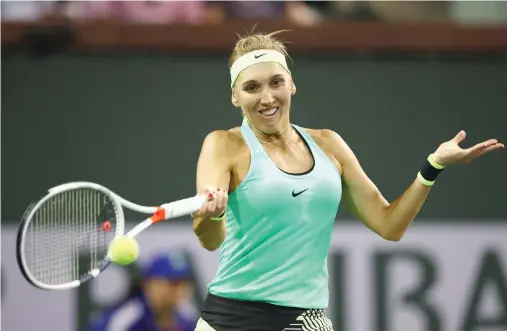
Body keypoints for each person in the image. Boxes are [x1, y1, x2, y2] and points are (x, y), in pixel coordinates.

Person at [190, 30, 504, 331]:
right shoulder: (223, 145)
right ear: (235, 96)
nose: (268, 97)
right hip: (228, 319)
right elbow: (209, 238)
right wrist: (215, 213)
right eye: (252, 87)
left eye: (276, 83)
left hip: (303, 318)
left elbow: (389, 225)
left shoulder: (330, 145)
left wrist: (433, 166)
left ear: (292, 85)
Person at [87, 250, 197, 331]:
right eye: (172, 283)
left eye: (184, 282)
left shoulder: (188, 319)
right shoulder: (125, 318)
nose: (180, 290)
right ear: (148, 285)